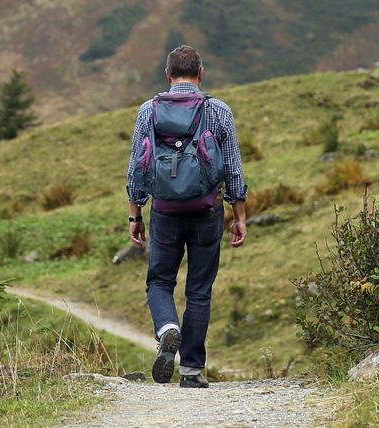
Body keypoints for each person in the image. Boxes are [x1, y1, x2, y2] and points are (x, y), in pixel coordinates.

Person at [126, 45, 248, 388]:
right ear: (201, 74)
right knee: (199, 290)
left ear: (168, 75)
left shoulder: (148, 111)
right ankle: (192, 371)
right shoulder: (219, 111)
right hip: (207, 209)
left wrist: (135, 214)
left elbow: (137, 166)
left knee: (159, 281)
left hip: (164, 210)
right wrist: (239, 215)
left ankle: (168, 328)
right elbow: (234, 169)